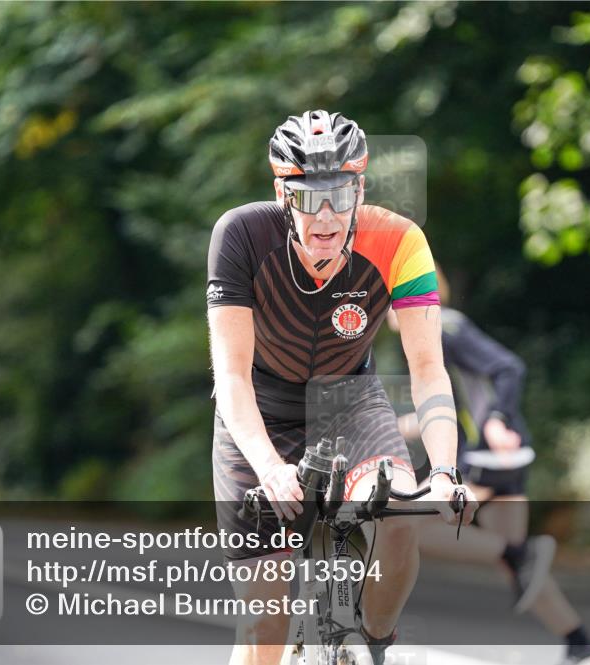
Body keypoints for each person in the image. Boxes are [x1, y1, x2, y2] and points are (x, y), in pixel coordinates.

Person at [207, 110, 477, 665]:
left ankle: (376, 643)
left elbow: (428, 370)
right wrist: (269, 467)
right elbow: (230, 377)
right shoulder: (240, 235)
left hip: (350, 401)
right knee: (264, 629)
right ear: (282, 194)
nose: (325, 215)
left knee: (402, 512)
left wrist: (445, 472)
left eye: (341, 194)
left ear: (361, 188)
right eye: (307, 198)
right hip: (259, 411)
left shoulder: (400, 241)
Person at [388, 266, 590, 665]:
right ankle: (582, 642)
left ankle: (519, 554)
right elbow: (452, 407)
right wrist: (400, 426)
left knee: (410, 526)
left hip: (487, 457)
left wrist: (496, 420)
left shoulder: (442, 324)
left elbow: (509, 367)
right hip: (501, 458)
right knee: (516, 565)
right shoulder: (430, 333)